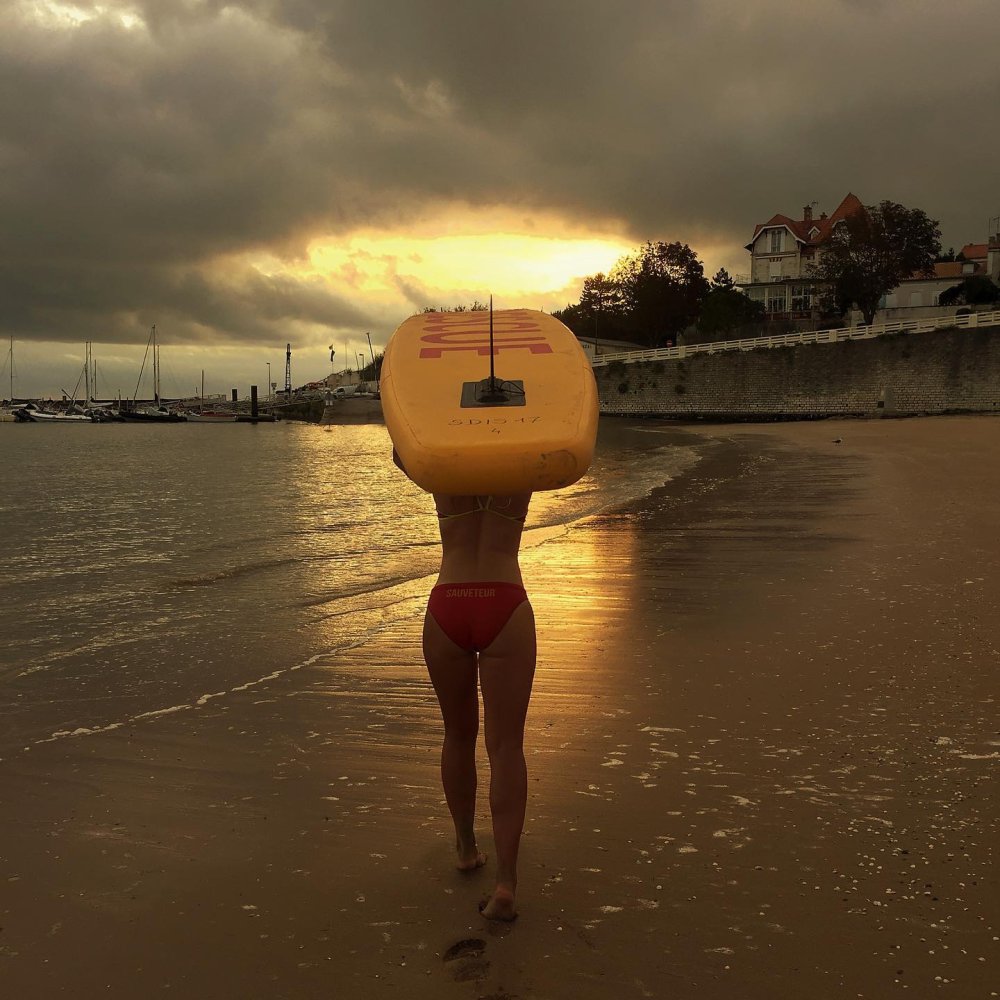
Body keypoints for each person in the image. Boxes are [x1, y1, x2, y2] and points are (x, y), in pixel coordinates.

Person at [423, 490, 535, 921]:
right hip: (504, 598)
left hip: (448, 600)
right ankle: (506, 881)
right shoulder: (521, 450)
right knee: (506, 747)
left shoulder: (444, 451)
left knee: (457, 734)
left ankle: (467, 848)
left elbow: (402, 453)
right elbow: (570, 456)